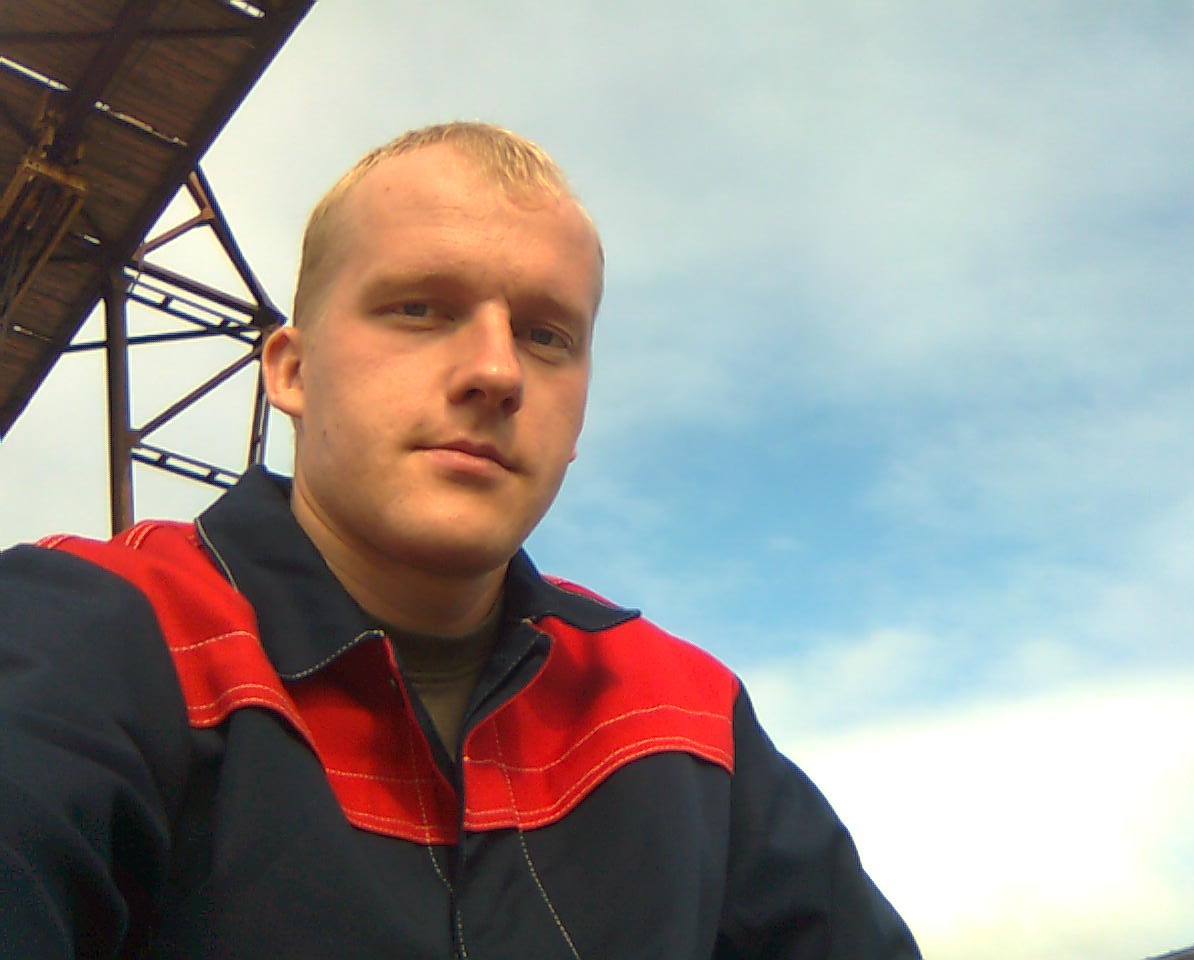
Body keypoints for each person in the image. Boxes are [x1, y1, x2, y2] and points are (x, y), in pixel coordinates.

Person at [0, 122, 920, 959]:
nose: (497, 370)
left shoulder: (686, 716)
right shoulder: (85, 635)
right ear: (292, 370)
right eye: (420, 309)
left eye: (546, 335)